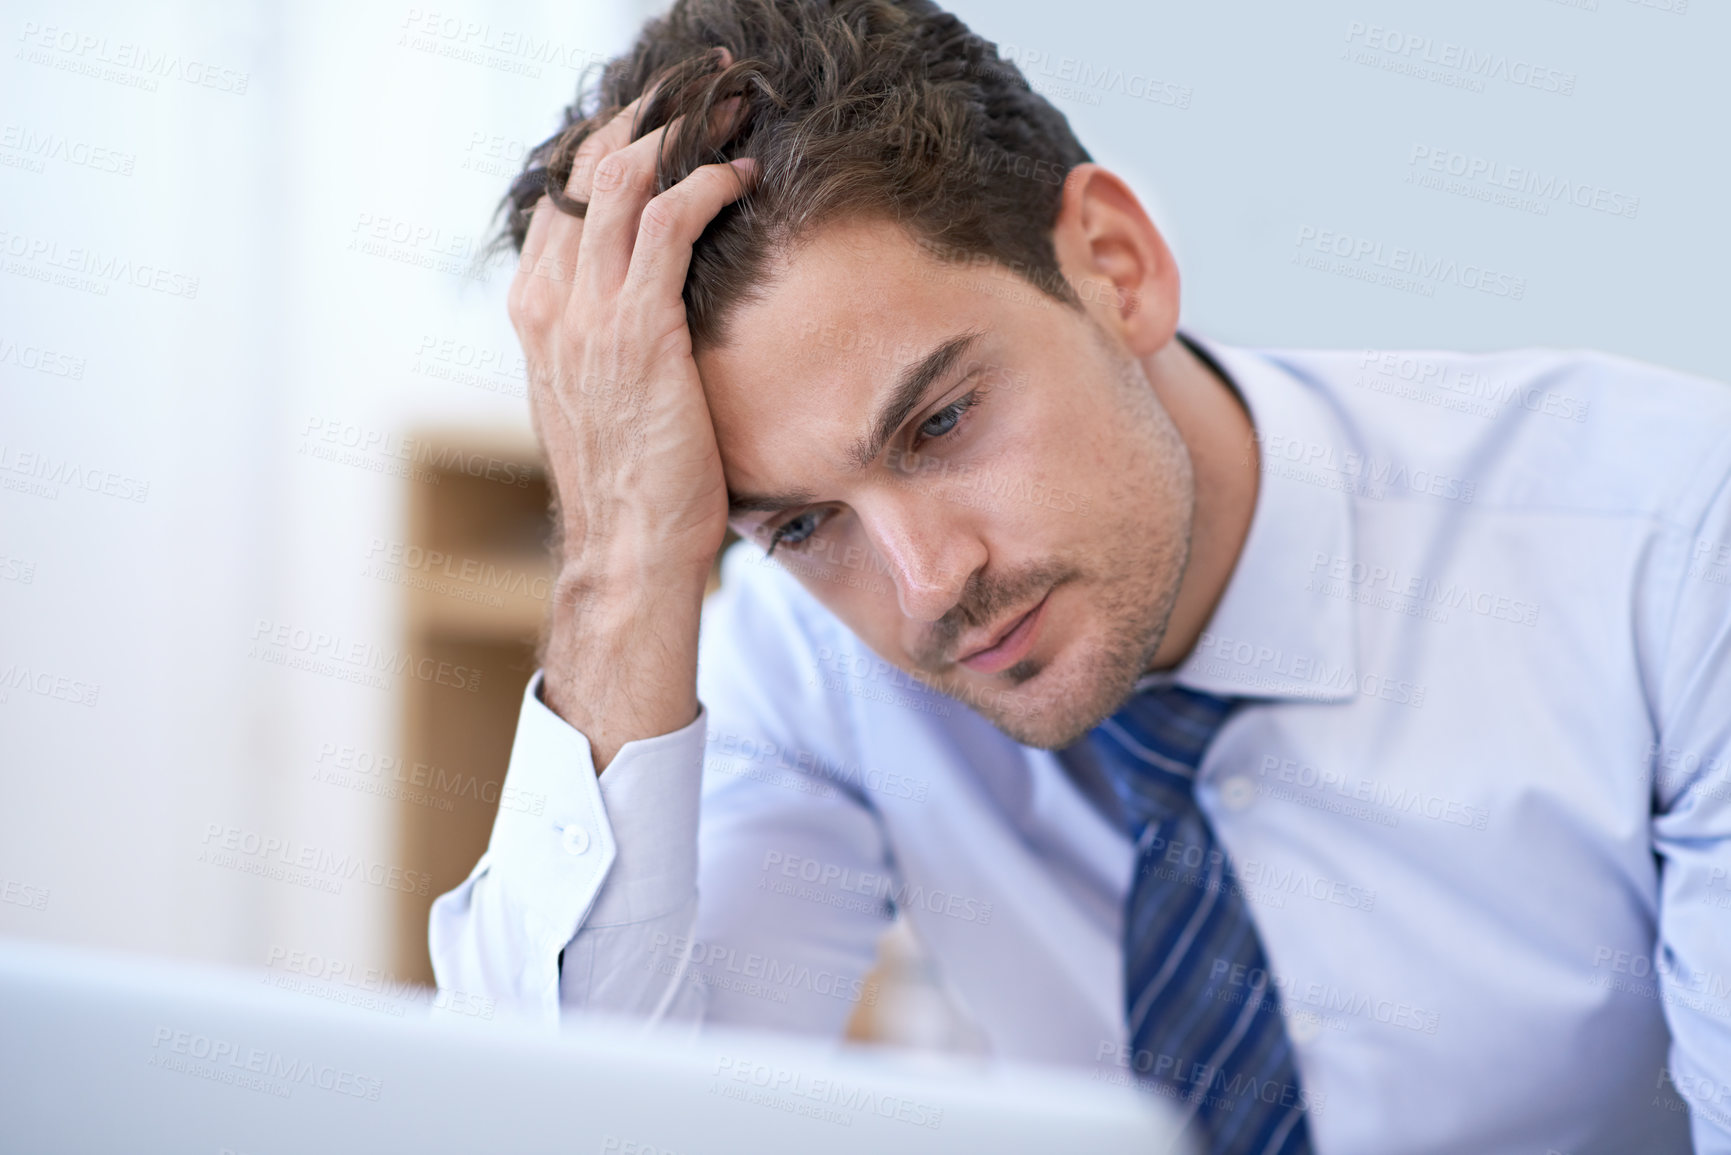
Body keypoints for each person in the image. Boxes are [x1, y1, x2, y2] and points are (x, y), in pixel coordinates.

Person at [428, 2, 1731, 1151]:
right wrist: (620, 553)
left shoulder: (1669, 548)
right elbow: (587, 1126)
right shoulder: (806, 648)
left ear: (1117, 266)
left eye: (939, 424)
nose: (928, 583)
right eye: (801, 523)